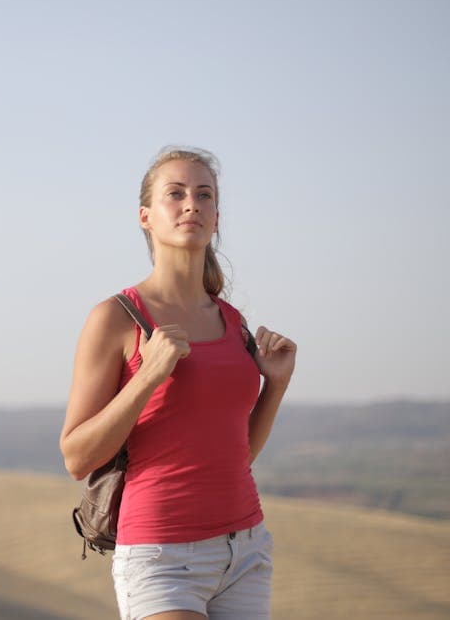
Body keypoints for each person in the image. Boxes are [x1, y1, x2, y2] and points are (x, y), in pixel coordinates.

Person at [59, 146, 297, 620]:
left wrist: (275, 385)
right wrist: (147, 376)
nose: (192, 204)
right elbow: (76, 455)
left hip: (246, 552)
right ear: (146, 216)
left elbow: (233, 456)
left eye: (204, 194)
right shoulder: (116, 318)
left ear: (216, 218)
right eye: (176, 193)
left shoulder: (233, 322)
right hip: (161, 556)